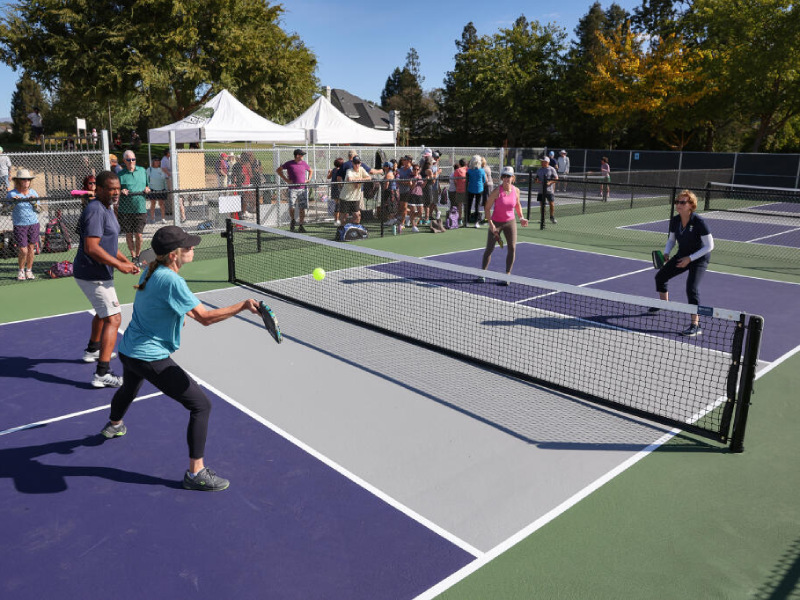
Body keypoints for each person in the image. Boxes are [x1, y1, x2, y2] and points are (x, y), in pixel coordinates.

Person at [100, 225, 260, 492]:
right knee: (201, 406)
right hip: (148, 355)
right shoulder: (173, 281)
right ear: (173, 255)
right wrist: (242, 305)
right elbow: (205, 318)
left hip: (128, 349)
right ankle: (195, 473)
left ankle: (114, 424)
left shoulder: (155, 271)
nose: (192, 248)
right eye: (187, 246)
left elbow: (161, 306)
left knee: (129, 388)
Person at [73, 170, 140, 387]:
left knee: (104, 314)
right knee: (114, 318)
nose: (116, 192)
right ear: (99, 189)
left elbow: (107, 244)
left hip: (100, 272)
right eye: (111, 189)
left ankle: (92, 350)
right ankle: (102, 374)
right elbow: (92, 248)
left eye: (118, 188)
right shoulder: (95, 210)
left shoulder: (109, 208)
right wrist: (119, 265)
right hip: (93, 274)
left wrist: (126, 260)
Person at [652, 190, 714, 337]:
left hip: (699, 259)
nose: (678, 205)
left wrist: (690, 259)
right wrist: (667, 252)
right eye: (677, 202)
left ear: (691, 205)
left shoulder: (699, 222)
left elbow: (709, 246)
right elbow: (672, 239)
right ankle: (664, 304)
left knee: (692, 288)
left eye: (682, 202)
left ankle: (695, 325)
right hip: (682, 255)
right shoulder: (675, 220)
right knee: (660, 277)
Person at [475, 166, 529, 285]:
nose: (506, 178)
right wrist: (491, 225)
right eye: (504, 176)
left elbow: (517, 204)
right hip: (496, 223)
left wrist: (521, 217)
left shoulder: (516, 191)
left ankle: (507, 275)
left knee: (512, 248)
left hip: (510, 222)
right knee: (489, 249)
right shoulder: (496, 191)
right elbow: (487, 208)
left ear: (513, 178)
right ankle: (483, 273)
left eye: (508, 176)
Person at [6, 169, 40, 281]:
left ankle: (29, 270)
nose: (26, 181)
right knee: (23, 250)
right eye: (23, 179)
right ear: (18, 181)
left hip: (33, 224)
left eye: (28, 179)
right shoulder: (11, 194)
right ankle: (21, 270)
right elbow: (5, 210)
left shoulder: (33, 193)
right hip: (20, 225)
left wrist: (34, 203)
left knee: (31, 248)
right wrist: (13, 203)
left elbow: (39, 210)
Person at [117, 150, 150, 266]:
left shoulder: (142, 171)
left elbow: (147, 185)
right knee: (129, 234)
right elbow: (115, 190)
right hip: (125, 210)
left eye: (133, 159)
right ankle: (133, 257)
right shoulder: (120, 175)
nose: (131, 162)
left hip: (140, 208)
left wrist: (147, 188)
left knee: (139, 235)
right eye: (128, 160)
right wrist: (121, 190)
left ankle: (138, 254)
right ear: (124, 161)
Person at [276, 148, 312, 233]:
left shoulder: (304, 163)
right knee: (291, 206)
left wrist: (308, 179)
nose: (303, 156)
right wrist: (286, 179)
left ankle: (301, 225)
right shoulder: (289, 163)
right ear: (297, 156)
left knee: (302, 208)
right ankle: (293, 220)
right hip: (292, 189)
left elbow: (310, 170)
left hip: (302, 189)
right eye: (302, 155)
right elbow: (278, 170)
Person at [340, 155, 370, 224]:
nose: (357, 165)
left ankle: (354, 229)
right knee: (344, 216)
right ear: (352, 163)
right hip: (346, 197)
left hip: (356, 198)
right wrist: (358, 181)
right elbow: (349, 179)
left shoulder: (362, 169)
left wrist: (359, 180)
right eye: (355, 163)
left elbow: (369, 177)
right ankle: (342, 229)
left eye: (358, 163)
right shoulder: (349, 170)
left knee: (357, 216)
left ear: (360, 163)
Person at [535, 156, 558, 224]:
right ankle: (542, 218)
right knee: (542, 205)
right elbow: (536, 178)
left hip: (549, 191)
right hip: (541, 191)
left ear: (547, 162)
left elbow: (556, 178)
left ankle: (552, 217)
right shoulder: (539, 170)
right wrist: (537, 181)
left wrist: (550, 182)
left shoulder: (552, 169)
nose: (541, 162)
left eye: (543, 161)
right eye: (541, 161)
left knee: (551, 204)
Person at [147, 157, 168, 223]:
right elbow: (146, 179)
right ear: (153, 162)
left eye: (158, 161)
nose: (157, 162)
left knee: (161, 204)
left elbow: (164, 180)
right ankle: (152, 218)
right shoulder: (149, 169)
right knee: (153, 203)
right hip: (152, 189)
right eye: (156, 160)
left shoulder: (161, 169)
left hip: (161, 189)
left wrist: (166, 188)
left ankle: (163, 218)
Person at [453, 159, 468, 224]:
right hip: (465, 190)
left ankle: (460, 218)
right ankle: (463, 218)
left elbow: (455, 181)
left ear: (460, 164)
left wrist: (457, 187)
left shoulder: (458, 170)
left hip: (461, 190)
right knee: (464, 205)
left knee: (460, 205)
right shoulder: (468, 169)